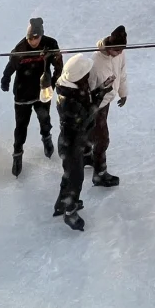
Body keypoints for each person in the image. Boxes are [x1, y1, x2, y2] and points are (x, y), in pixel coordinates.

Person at [1, 16, 63, 177]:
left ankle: (46, 138)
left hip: (43, 90)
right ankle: (17, 154)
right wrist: (5, 79)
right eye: (30, 38)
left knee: (45, 119)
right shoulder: (21, 49)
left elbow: (58, 65)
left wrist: (55, 81)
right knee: (21, 126)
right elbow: (10, 66)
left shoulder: (51, 44)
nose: (33, 41)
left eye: (36, 38)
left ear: (41, 35)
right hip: (22, 93)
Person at [53, 54, 105, 231]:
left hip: (72, 142)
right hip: (71, 145)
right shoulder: (69, 100)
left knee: (69, 175)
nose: (89, 77)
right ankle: (69, 212)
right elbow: (86, 117)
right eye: (86, 74)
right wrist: (100, 96)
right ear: (79, 76)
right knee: (76, 179)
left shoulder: (71, 89)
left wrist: (98, 92)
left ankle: (61, 203)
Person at [88, 26, 128, 188]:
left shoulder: (119, 53)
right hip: (96, 104)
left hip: (107, 101)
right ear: (110, 46)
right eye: (117, 50)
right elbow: (89, 88)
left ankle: (85, 155)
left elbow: (122, 73)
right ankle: (100, 173)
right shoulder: (95, 61)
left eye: (121, 50)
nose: (120, 53)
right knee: (102, 139)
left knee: (92, 132)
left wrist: (123, 92)